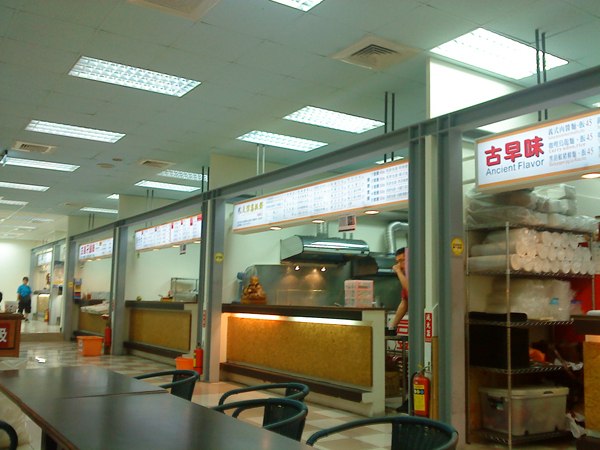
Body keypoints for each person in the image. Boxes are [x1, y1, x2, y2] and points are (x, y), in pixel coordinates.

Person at [389, 248, 408, 332]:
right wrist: (393, 326)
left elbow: (411, 290)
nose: (399, 265)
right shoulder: (405, 279)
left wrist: (398, 271)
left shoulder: (418, 274)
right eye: (397, 262)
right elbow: (404, 303)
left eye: (401, 261)